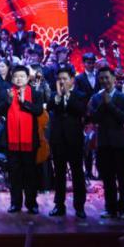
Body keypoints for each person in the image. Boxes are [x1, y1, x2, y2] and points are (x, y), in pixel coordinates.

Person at [88, 66, 124, 220]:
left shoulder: (123, 97)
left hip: (120, 143)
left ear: (114, 78)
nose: (104, 81)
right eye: (101, 78)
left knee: (123, 178)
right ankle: (110, 208)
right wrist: (103, 103)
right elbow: (94, 118)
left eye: (107, 77)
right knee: (107, 179)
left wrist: (110, 104)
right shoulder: (96, 98)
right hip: (103, 142)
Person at [0, 65, 43, 214]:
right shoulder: (7, 92)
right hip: (12, 140)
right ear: (12, 78)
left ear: (28, 78)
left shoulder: (35, 93)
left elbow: (38, 111)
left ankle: (31, 203)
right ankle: (15, 203)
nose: (19, 79)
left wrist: (24, 102)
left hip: (29, 140)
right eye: (16, 76)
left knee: (30, 173)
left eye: (22, 76)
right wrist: (8, 101)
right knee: (14, 174)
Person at [48, 67, 87, 219]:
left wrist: (67, 96)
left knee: (77, 172)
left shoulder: (80, 95)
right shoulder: (54, 95)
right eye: (59, 79)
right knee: (59, 173)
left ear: (72, 80)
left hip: (74, 139)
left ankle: (79, 206)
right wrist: (59, 96)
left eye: (64, 79)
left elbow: (80, 110)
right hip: (58, 139)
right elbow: (50, 107)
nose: (62, 82)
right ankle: (59, 205)